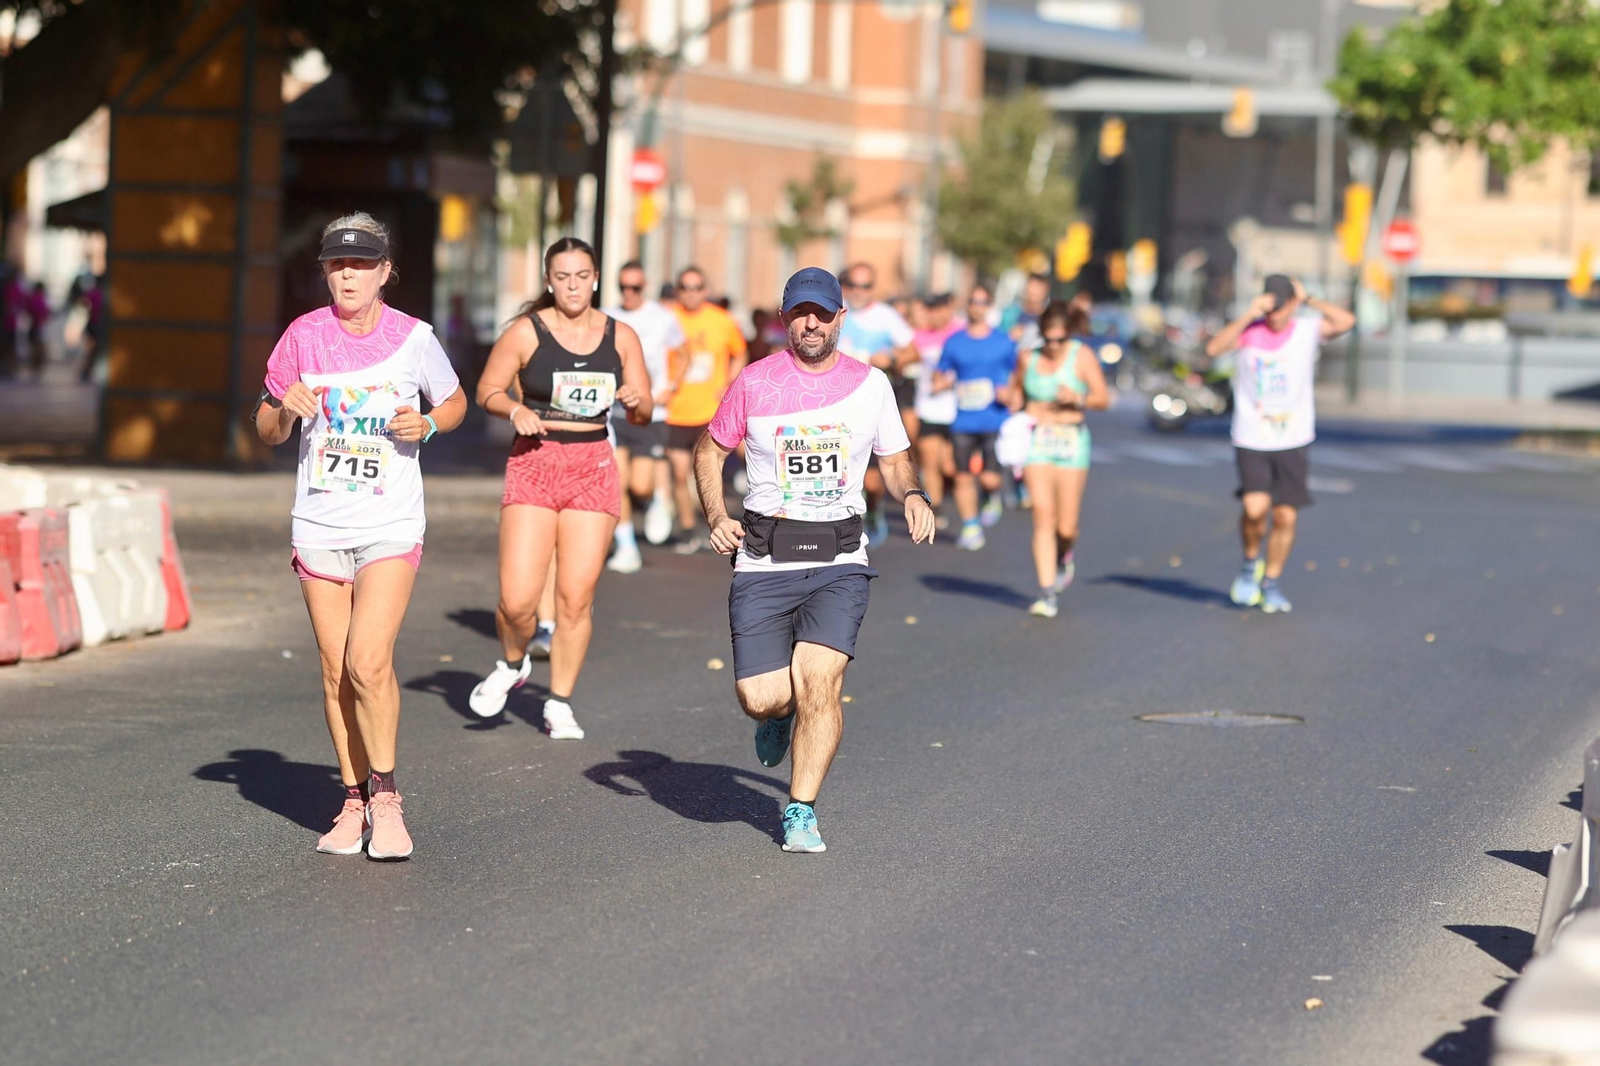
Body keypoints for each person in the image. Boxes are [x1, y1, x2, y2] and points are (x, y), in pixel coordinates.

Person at [692, 267, 936, 853]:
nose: (811, 323)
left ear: (840, 318)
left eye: (822, 313)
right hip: (763, 557)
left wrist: (913, 494)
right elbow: (709, 449)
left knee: (820, 681)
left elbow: (895, 459)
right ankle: (779, 717)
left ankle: (800, 809)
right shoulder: (754, 382)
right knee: (762, 698)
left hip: (840, 559)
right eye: (801, 312)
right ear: (784, 319)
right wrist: (716, 516)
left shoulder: (871, 385)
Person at [254, 211, 467, 861]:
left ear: (384, 272)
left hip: (390, 524)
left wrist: (427, 425)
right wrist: (284, 410)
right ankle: (353, 801)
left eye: (361, 264)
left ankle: (387, 798)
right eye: (337, 265)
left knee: (367, 661)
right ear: (325, 272)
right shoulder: (302, 336)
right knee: (334, 670)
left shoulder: (415, 339)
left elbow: (454, 402)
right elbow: (265, 429)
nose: (348, 275)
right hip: (320, 523)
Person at [469, 237, 653, 732]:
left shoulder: (620, 335)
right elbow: (487, 390)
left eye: (582, 276)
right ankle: (513, 663)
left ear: (596, 278)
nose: (573, 286)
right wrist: (514, 409)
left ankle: (559, 702)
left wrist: (635, 401)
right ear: (549, 281)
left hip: (592, 465)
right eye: (563, 277)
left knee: (575, 598)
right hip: (535, 461)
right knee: (518, 602)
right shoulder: (526, 332)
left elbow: (644, 411)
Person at [1206, 274, 1355, 613]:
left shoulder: (1306, 330)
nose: (1275, 314)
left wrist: (1309, 298)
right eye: (1270, 306)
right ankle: (1249, 566)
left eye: (1282, 306)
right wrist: (1249, 314)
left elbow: (1346, 322)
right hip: (1252, 436)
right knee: (1254, 510)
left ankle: (1271, 582)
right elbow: (1213, 348)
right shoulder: (1250, 330)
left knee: (1285, 516)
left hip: (1292, 437)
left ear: (1292, 304)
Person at [1007, 300, 1110, 618]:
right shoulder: (1028, 358)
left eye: (1060, 340)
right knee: (1043, 514)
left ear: (1070, 335)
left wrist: (1076, 397)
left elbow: (1103, 399)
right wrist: (1014, 402)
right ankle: (1046, 592)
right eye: (1047, 339)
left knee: (1066, 527)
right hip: (1037, 442)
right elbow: (1015, 391)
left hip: (1071, 443)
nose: (1053, 346)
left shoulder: (1082, 356)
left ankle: (1063, 554)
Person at [603, 260, 685, 573]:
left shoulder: (662, 317)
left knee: (639, 485)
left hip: (651, 412)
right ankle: (627, 547)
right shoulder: (607, 317)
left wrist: (670, 387)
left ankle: (655, 500)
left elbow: (684, 354)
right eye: (623, 287)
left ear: (644, 287)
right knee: (617, 483)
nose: (628, 293)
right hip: (614, 412)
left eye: (634, 287)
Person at [665, 265, 746, 554]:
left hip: (711, 411)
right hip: (676, 410)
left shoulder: (721, 320)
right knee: (679, 474)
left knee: (711, 471)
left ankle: (719, 523)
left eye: (696, 287)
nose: (691, 293)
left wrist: (728, 384)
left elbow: (740, 353)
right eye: (685, 288)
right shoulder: (668, 318)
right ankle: (688, 529)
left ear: (706, 290)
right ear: (678, 291)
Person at [836, 262, 916, 545]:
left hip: (871, 404)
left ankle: (873, 508)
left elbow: (913, 352)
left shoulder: (886, 317)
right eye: (853, 285)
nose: (858, 291)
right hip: (835, 403)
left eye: (865, 286)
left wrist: (891, 359)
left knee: (871, 479)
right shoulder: (832, 311)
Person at [933, 284, 1018, 551]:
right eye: (973, 301)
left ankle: (991, 494)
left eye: (982, 302)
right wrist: (942, 384)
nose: (977, 307)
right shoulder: (954, 342)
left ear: (989, 307)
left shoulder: (1003, 342)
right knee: (962, 476)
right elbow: (940, 374)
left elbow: (1017, 374)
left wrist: (1011, 393)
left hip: (994, 417)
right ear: (967, 305)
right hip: (964, 420)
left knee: (990, 479)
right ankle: (971, 526)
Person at [911, 293, 962, 527]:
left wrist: (949, 382)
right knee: (929, 462)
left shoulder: (960, 334)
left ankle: (961, 491)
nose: (936, 315)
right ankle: (936, 509)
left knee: (949, 466)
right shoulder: (920, 336)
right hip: (928, 408)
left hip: (956, 409)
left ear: (949, 309)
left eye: (941, 309)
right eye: (932, 309)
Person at [1000, 272, 1052, 354]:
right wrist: (1010, 337)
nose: (1033, 290)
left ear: (1046, 290)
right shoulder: (1010, 314)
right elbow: (998, 341)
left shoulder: (1051, 317)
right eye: (1031, 286)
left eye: (1037, 287)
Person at [25, 282, 50, 375]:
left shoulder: (34, 298)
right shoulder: (38, 298)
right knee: (38, 349)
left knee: (36, 348)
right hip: (37, 326)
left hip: (36, 326)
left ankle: (35, 368)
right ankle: (35, 367)